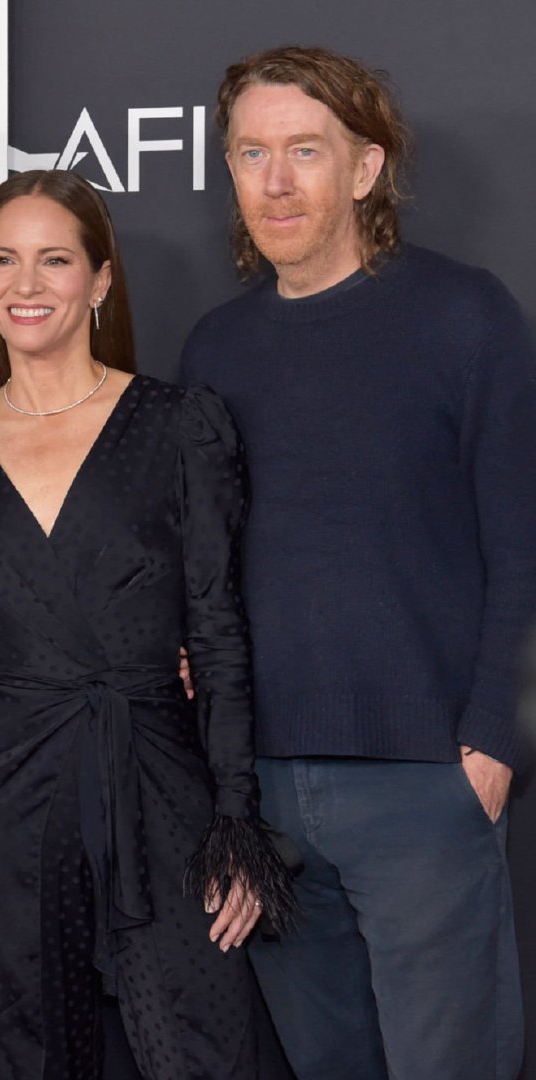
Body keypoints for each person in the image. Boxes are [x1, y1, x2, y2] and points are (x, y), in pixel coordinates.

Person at [181, 45, 536, 1080]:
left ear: (365, 168)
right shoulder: (213, 348)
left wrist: (489, 742)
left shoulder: (462, 315)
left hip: (424, 780)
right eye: (251, 153)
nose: (275, 181)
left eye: (304, 150)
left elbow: (519, 540)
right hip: (265, 796)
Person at [0, 168, 294, 1079]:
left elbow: (217, 634)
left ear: (99, 281)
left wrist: (234, 820)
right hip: (4, 800)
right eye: (2, 260)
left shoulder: (178, 425)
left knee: (200, 1048)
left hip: (159, 786)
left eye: (54, 260)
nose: (25, 283)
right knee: (20, 1054)